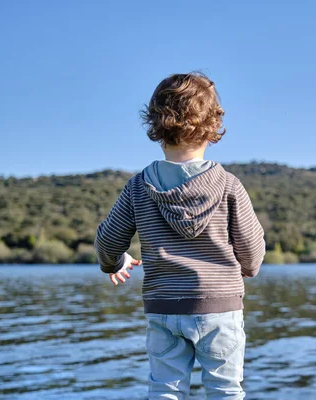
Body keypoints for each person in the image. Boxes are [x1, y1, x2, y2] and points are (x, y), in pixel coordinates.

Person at [94, 72, 266, 400]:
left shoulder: (138, 187)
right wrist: (243, 266)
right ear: (213, 126)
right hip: (219, 308)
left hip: (164, 308)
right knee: (225, 391)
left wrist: (115, 261)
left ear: (156, 126)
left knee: (165, 391)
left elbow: (107, 244)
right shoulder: (229, 185)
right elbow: (253, 256)